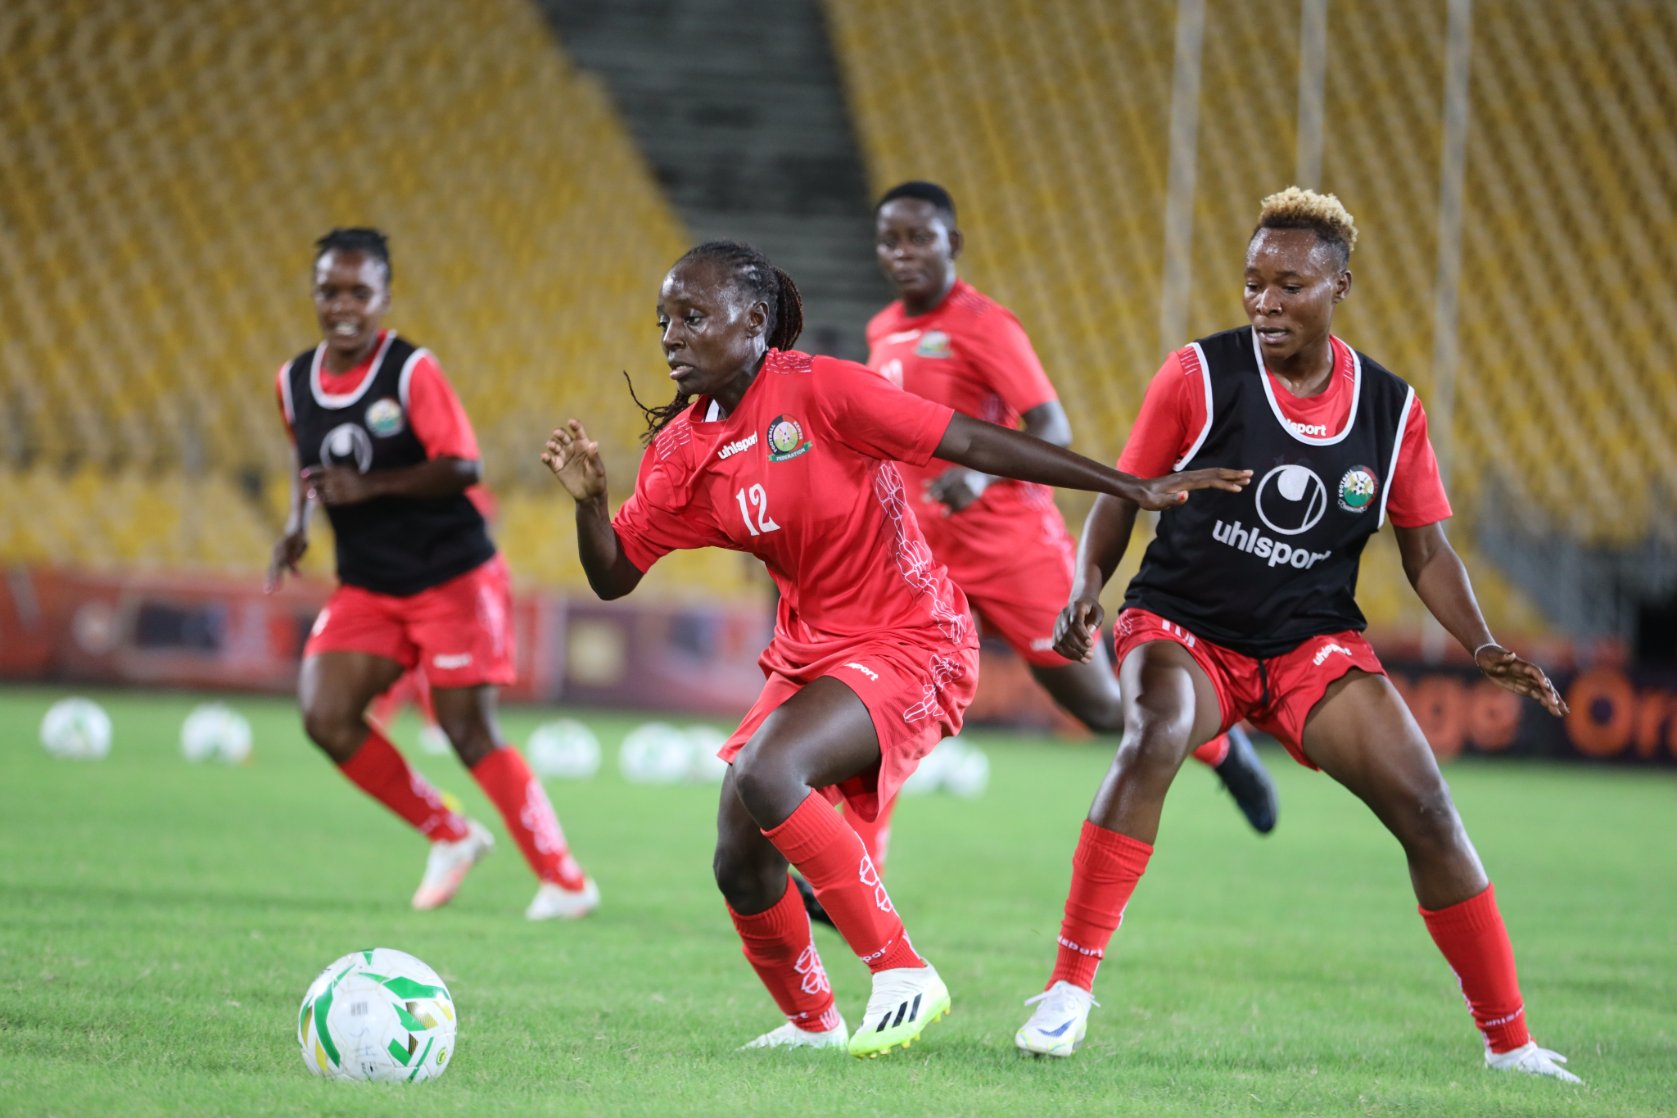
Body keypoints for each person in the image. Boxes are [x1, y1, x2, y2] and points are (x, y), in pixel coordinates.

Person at [540, 240, 1249, 1058]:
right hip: (812, 654)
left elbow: (972, 442)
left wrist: (1127, 486)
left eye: (692, 317)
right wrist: (591, 506)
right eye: (664, 320)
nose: (670, 336)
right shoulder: (683, 451)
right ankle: (812, 1025)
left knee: (769, 773)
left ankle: (902, 970)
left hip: (915, 640)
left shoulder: (825, 390)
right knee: (737, 852)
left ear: (755, 321)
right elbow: (615, 575)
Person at [1011, 188, 1580, 1085]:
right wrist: (1088, 587)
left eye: (1288, 285)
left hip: (1309, 646)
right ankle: (1067, 992)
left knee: (1428, 810)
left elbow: (1426, 553)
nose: (1264, 302)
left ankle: (1509, 1044)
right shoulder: (1199, 374)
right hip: (1182, 627)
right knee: (1154, 731)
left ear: (1338, 286)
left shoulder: (1391, 410)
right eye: (1252, 283)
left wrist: (1477, 644)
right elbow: (1123, 491)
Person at [847, 181, 1277, 875]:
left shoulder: (984, 324)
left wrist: (979, 476)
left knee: (1105, 709)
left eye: (917, 238)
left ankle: (1221, 747)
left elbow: (1051, 424)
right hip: (925, 555)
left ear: (950, 244)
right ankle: (853, 875)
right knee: (888, 695)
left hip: (1012, 547)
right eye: (888, 240)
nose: (901, 253)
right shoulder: (881, 329)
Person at [266, 227, 597, 921]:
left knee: (467, 729)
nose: (343, 305)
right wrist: (298, 525)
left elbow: (462, 466)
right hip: (368, 584)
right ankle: (449, 833)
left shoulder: (411, 371)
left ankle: (566, 881)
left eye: (360, 291)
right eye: (330, 290)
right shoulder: (293, 380)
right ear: (314, 294)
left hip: (452, 576)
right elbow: (310, 464)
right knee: (325, 716)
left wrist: (370, 487)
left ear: (384, 297)